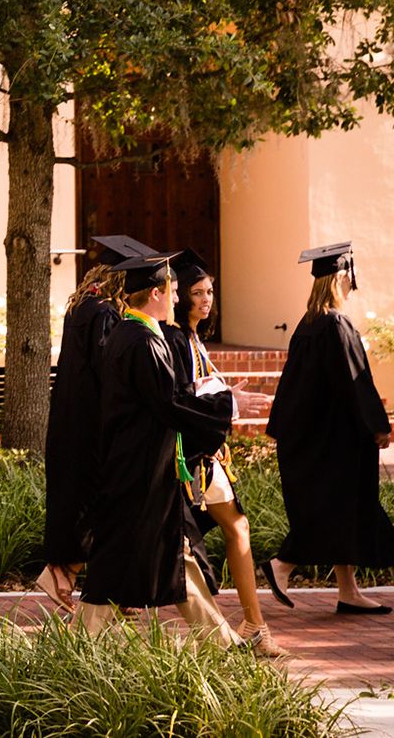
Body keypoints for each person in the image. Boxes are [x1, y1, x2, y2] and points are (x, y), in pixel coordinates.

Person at [77, 252, 256, 646]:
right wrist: (228, 405)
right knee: (120, 560)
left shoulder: (132, 335)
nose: (177, 300)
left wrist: (221, 401)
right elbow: (170, 403)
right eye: (174, 291)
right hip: (139, 471)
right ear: (156, 292)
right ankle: (80, 645)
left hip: (143, 466)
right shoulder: (141, 341)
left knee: (176, 554)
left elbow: (168, 398)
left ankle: (223, 643)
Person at [263, 242, 394, 615]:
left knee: (343, 510)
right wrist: (377, 426)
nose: (352, 286)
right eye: (349, 279)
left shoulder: (308, 324)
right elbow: (354, 382)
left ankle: (348, 590)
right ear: (340, 278)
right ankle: (281, 566)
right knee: (336, 510)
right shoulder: (336, 325)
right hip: (335, 442)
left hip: (312, 439)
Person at [163, 251, 282, 655]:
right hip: (189, 457)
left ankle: (254, 625)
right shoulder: (176, 339)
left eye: (210, 291)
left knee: (238, 528)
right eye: (196, 292)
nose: (205, 299)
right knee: (193, 543)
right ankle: (242, 628)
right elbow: (180, 397)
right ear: (180, 297)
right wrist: (227, 400)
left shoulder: (193, 337)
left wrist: (226, 394)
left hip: (208, 455)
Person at [37, 234, 151, 610]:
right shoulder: (104, 314)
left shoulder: (82, 306)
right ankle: (67, 575)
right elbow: (108, 373)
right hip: (91, 426)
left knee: (76, 501)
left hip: (70, 421)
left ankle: (67, 575)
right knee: (96, 504)